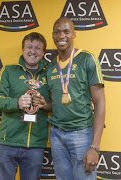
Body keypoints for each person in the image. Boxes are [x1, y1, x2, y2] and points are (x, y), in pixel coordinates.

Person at [36, 17, 105, 180]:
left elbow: (100, 102)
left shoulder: (87, 59)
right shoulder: (51, 67)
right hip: (57, 134)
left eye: (66, 31)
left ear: (74, 34)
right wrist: (44, 105)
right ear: (52, 35)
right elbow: (55, 104)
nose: (61, 36)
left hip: (82, 132)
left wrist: (94, 147)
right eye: (57, 32)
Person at [0, 32, 50, 180]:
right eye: (29, 46)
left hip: (35, 144)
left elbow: (57, 105)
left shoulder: (50, 74)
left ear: (43, 53)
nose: (33, 51)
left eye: (38, 48)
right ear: (22, 49)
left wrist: (45, 105)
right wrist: (16, 103)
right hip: (7, 142)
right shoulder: (8, 71)